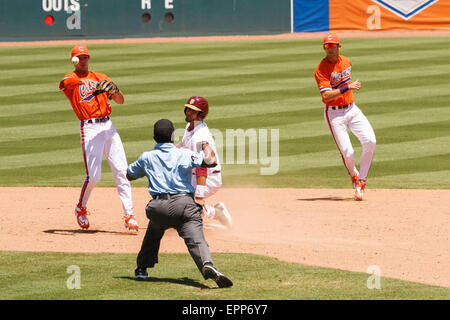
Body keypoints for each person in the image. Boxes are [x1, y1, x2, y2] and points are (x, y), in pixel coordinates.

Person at [127, 119, 233, 288]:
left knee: (154, 228)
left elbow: (129, 174)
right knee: (196, 238)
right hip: (184, 206)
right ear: (172, 137)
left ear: (155, 137)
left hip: (158, 208)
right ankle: (207, 264)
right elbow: (211, 161)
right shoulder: (184, 154)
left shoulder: (147, 157)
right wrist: (205, 146)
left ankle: (141, 269)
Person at [59, 45, 138, 231]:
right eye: (80, 57)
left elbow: (120, 100)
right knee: (94, 176)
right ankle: (81, 207)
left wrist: (115, 90)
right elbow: (63, 83)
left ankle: (129, 214)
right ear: (74, 60)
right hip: (90, 128)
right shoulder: (71, 78)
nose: (83, 60)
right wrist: (81, 80)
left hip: (108, 126)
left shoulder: (101, 77)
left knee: (122, 171)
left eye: (85, 56)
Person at [314, 34, 376, 201]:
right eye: (327, 46)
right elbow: (326, 97)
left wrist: (346, 89)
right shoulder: (321, 69)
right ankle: (354, 176)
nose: (330, 48)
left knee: (370, 141)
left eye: (333, 45)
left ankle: (361, 181)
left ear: (339, 46)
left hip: (352, 109)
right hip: (334, 114)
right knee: (347, 152)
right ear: (324, 48)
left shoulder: (346, 61)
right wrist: (347, 87)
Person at [178, 96, 232, 228]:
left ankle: (216, 212)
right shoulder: (190, 126)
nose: (188, 112)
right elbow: (183, 144)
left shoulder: (199, 136)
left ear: (201, 114)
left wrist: (200, 196)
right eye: (188, 109)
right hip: (196, 175)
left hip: (208, 178)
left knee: (186, 201)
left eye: (193, 111)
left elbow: (202, 166)